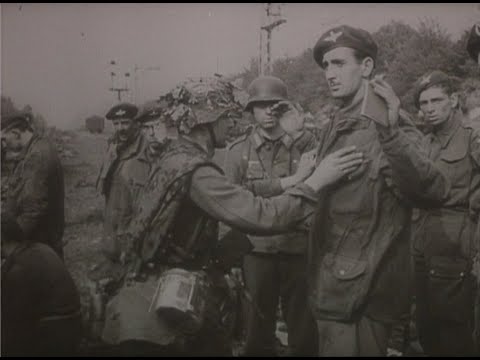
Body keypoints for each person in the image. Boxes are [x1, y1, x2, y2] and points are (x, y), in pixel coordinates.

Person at [91, 76, 365, 356]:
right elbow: (261, 215)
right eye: (225, 117)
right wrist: (315, 182)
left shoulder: (173, 156)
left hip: (149, 292)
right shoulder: (197, 172)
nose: (232, 124)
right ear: (206, 121)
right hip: (160, 308)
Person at [306, 25, 451, 356]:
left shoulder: (389, 123)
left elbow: (434, 190)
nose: (329, 73)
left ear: (367, 67)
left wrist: (390, 133)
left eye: (339, 63)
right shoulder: (335, 124)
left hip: (366, 293)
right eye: (326, 65)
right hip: (331, 284)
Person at [223, 75, 318, 356]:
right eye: (260, 106)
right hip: (256, 251)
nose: (268, 112)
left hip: (299, 247)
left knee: (304, 329)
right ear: (251, 110)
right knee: (256, 329)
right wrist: (289, 182)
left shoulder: (306, 144)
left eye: (275, 106)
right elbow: (234, 199)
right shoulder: (238, 151)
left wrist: (300, 131)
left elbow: (323, 182)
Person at [410, 70, 480, 356]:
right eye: (424, 103)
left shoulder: (472, 137)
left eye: (436, 100)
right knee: (425, 324)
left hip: (456, 239)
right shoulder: (425, 142)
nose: (429, 109)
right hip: (422, 238)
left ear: (453, 100)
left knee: (452, 327)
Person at [1, 213, 82, 356]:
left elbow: (13, 325)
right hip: (74, 327)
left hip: (53, 335)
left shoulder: (18, 269)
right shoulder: (41, 248)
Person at [1, 109, 65, 258]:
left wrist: (9, 243)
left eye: (3, 139)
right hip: (40, 243)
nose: (3, 145)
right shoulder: (36, 147)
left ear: (16, 134)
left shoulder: (37, 156)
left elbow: (32, 211)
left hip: (38, 245)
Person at [95, 102, 153, 261]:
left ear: (136, 124)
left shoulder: (147, 148)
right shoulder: (113, 146)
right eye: (116, 123)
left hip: (134, 227)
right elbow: (103, 187)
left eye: (126, 122)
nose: (120, 128)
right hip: (113, 221)